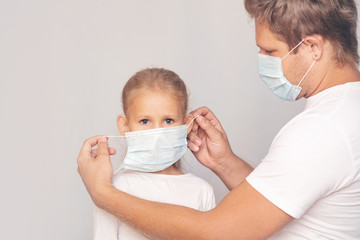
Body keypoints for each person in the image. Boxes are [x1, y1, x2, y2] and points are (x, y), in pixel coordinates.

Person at [77, 0, 360, 239]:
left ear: (312, 47)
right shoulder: (345, 111)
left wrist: (103, 194)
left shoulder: (323, 128)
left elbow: (216, 232)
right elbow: (283, 202)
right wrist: (224, 162)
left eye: (270, 51)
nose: (261, 59)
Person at [92, 68, 216, 239]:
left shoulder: (202, 191)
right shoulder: (111, 189)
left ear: (186, 124)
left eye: (168, 120)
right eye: (144, 121)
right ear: (125, 126)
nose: (157, 133)